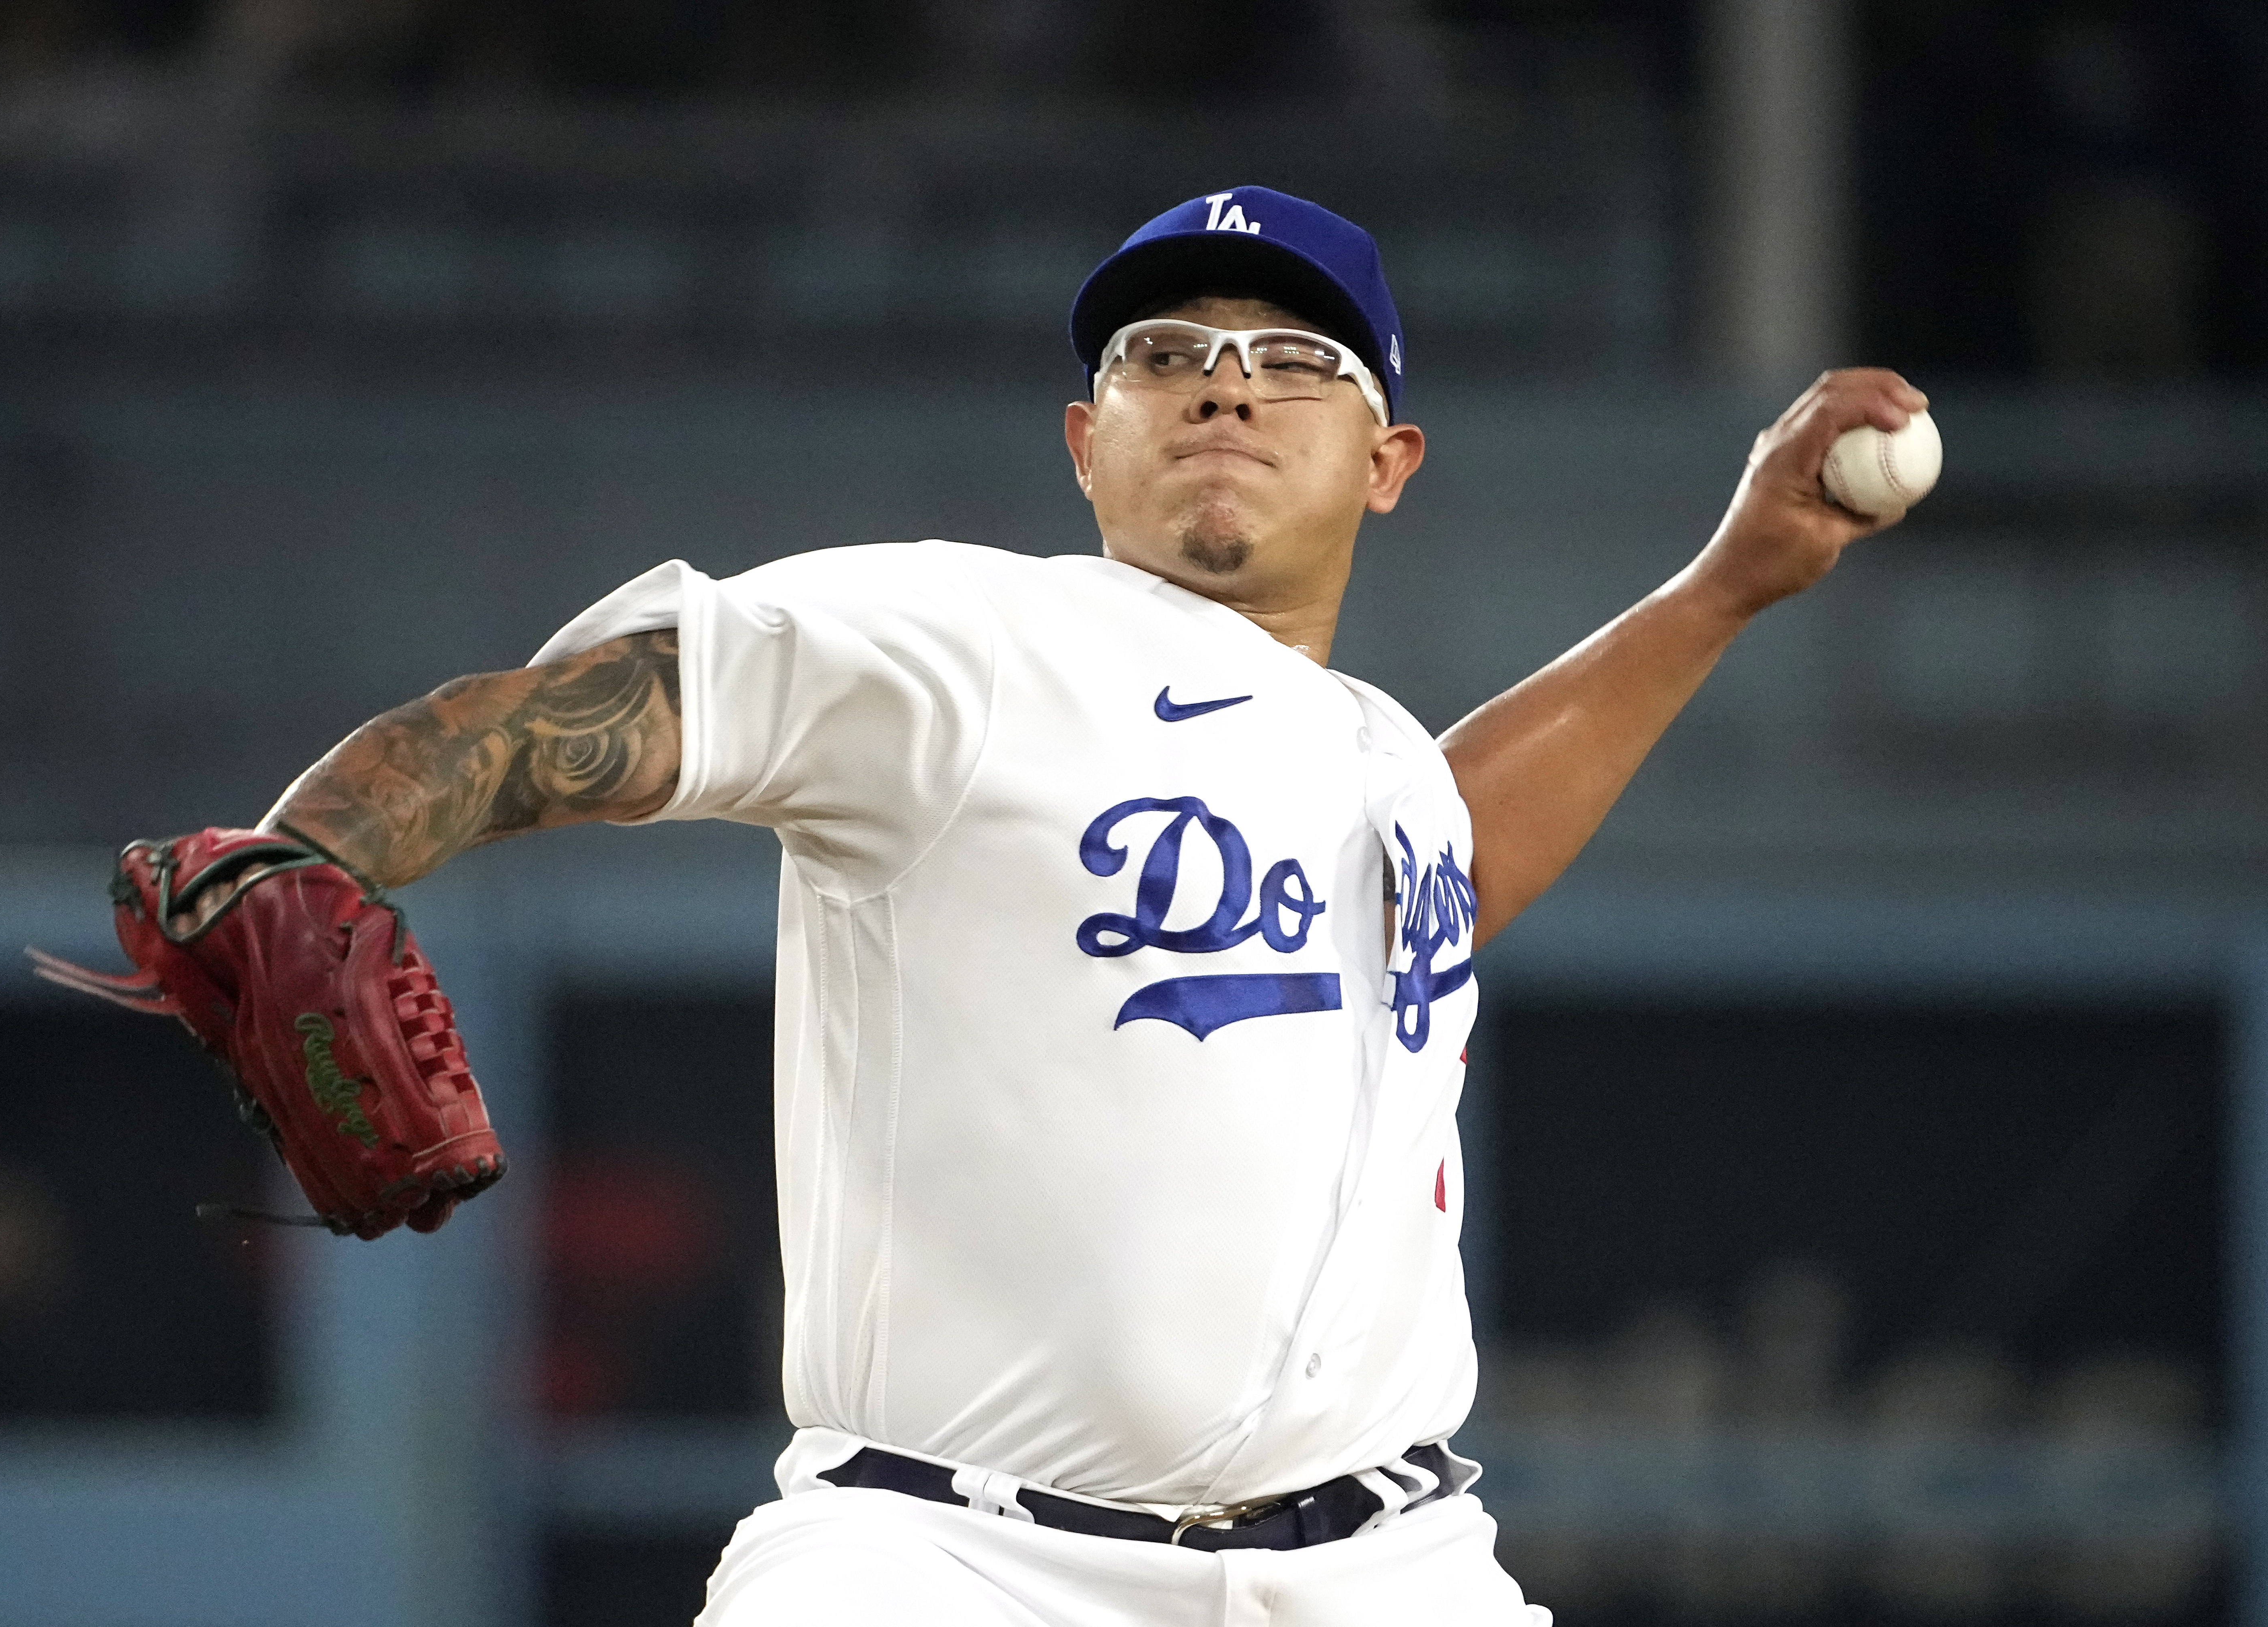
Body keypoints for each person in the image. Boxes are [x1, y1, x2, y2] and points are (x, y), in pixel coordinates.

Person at [253, 186, 1926, 1624]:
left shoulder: (1377, 762)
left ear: (1387, 459)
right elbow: (565, 720)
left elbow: (1449, 857)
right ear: (1084, 442)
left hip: (1380, 1567)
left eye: (1293, 362)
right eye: (1163, 356)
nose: (1222, 389)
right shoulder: (963, 648)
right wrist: (305, 860)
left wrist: (1721, 591)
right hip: (945, 1562)